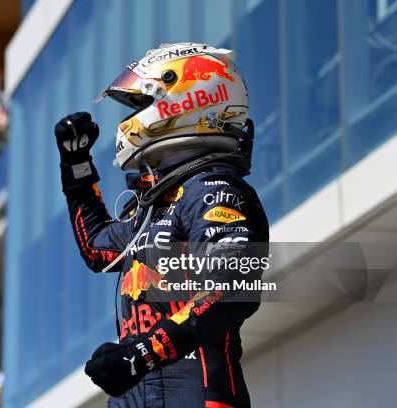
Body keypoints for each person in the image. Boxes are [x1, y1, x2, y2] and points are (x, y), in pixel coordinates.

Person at [54, 43, 269, 407]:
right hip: (138, 396)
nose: (129, 118)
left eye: (140, 104)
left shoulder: (213, 189)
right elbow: (97, 247)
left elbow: (232, 288)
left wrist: (143, 353)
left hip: (196, 395)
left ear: (189, 99)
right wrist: (76, 166)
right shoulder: (157, 204)